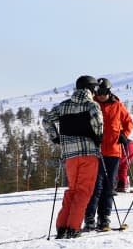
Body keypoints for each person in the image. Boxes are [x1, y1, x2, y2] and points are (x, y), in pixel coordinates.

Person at [43, 76, 104, 239]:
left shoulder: (63, 106)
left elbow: (46, 120)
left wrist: (55, 137)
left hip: (69, 155)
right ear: (90, 89)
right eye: (95, 89)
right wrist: (98, 137)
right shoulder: (92, 105)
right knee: (84, 191)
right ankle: (73, 227)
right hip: (88, 153)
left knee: (73, 190)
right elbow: (98, 123)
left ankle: (62, 226)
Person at [85, 78, 133, 232]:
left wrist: (124, 135)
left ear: (108, 92)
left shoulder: (118, 105)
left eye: (103, 93)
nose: (100, 95)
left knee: (108, 186)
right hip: (95, 151)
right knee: (95, 186)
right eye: (97, 92)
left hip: (113, 151)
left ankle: (104, 218)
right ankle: (89, 218)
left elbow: (129, 123)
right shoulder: (92, 105)